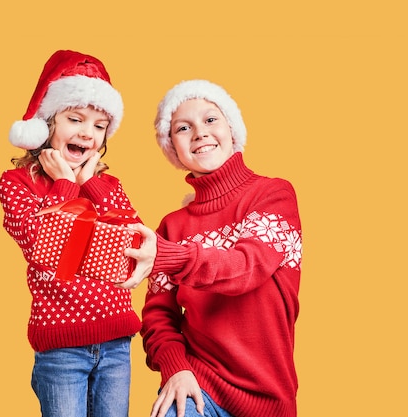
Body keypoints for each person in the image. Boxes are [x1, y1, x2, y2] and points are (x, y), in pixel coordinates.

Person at [120, 80, 303, 417]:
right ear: (172, 147)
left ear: (232, 130)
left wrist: (167, 255)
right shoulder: (171, 227)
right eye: (183, 128)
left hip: (270, 397)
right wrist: (175, 367)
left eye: (210, 120)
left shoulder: (273, 195)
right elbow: (158, 317)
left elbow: (246, 268)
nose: (199, 133)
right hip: (199, 386)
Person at [0, 49, 142, 417]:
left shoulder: (106, 185)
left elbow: (135, 248)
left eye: (98, 126)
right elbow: (41, 249)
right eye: (75, 118)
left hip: (116, 343)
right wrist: (64, 186)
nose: (86, 133)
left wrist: (91, 184)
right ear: (47, 124)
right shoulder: (18, 184)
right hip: (61, 349)